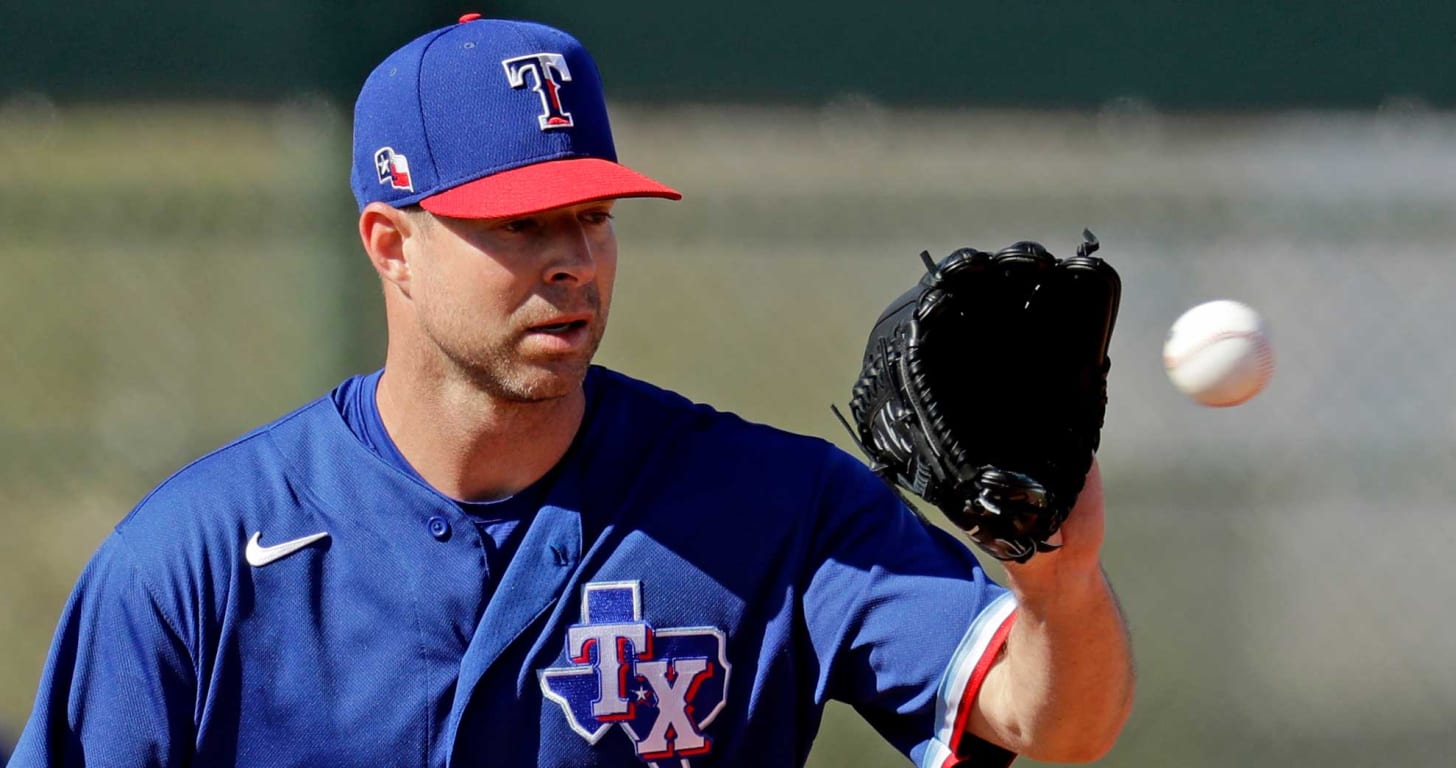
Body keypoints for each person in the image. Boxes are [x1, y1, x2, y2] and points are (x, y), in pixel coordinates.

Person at [12, 14, 1133, 768]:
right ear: (390, 245)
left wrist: (1061, 586)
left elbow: (1054, 724)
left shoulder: (776, 509)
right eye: (519, 221)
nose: (574, 259)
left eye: (592, 215)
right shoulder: (198, 563)